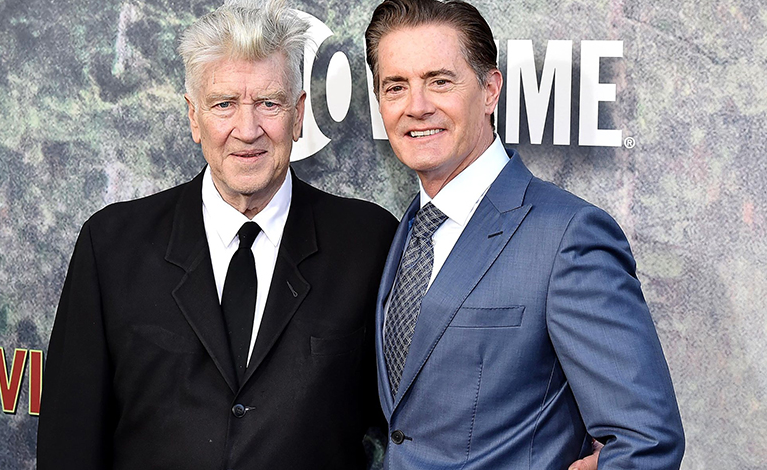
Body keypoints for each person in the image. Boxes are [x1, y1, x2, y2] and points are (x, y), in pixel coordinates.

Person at [36, 1, 398, 468]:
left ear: (298, 115)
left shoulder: (368, 244)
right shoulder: (111, 247)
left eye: (268, 103)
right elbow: (70, 442)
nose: (247, 130)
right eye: (224, 104)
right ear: (194, 116)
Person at [364, 0, 685, 469]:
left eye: (440, 81)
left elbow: (648, 441)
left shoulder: (567, 236)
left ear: (490, 90)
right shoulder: (405, 235)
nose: (417, 106)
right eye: (396, 87)